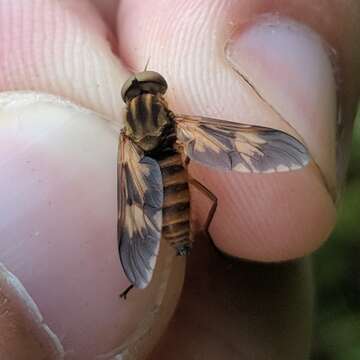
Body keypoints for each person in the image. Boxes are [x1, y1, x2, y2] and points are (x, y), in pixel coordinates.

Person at [0, 0, 358, 358]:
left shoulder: (127, 138)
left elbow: (131, 191)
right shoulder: (176, 119)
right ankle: (201, 244)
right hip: (179, 174)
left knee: (136, 209)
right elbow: (240, 143)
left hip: (153, 181)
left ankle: (149, 262)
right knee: (213, 198)